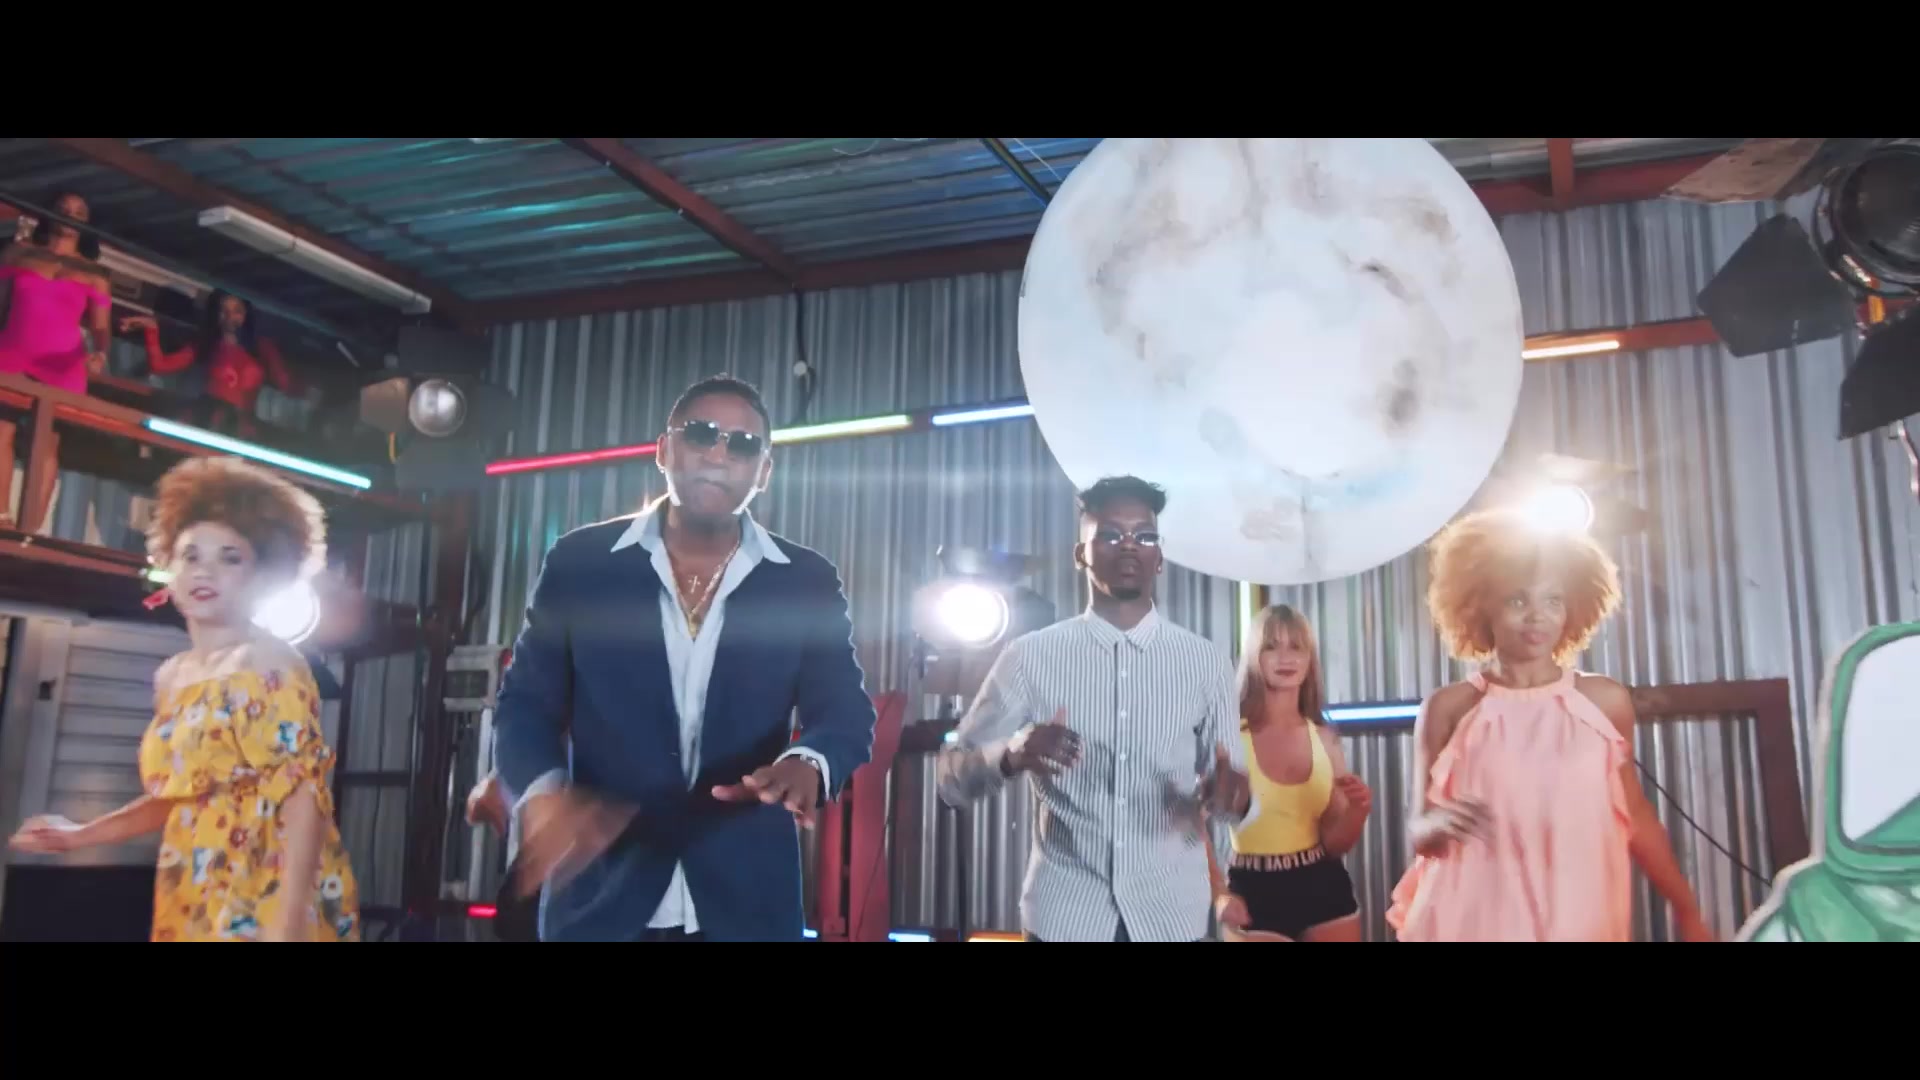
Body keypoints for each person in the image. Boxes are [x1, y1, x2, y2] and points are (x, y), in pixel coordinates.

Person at [491, 373, 877, 942]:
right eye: (700, 434)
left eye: (742, 445)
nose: (718, 455)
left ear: (763, 472)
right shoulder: (581, 563)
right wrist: (543, 795)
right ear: (663, 450)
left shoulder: (805, 580)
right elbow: (526, 704)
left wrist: (808, 763)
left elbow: (844, 710)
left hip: (746, 908)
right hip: (600, 899)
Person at [7, 455, 360, 941]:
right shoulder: (173, 677)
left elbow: (304, 796)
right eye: (191, 556)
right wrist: (79, 835)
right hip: (193, 883)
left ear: (261, 576)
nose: (205, 571)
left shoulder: (271, 662)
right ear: (169, 572)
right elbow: (176, 797)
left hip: (267, 886)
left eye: (230, 558)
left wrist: (287, 923)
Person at [937, 475, 1254, 942]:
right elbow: (950, 779)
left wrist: (1236, 798)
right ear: (1080, 553)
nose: (1129, 546)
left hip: (1172, 921)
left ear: (1160, 557)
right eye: (1109, 534)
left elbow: (1236, 796)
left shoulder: (1205, 662)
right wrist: (1010, 754)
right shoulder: (1029, 657)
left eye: (1144, 536)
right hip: (1065, 920)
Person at [1386, 508, 1712, 942]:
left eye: (1553, 600)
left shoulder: (1603, 702)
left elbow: (1634, 815)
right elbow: (1418, 830)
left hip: (1579, 918)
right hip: (1473, 921)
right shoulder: (1450, 707)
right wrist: (1438, 825)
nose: (1537, 616)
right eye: (1518, 600)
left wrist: (1687, 910)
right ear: (1481, 605)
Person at [1206, 603, 1372, 942]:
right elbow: (1188, 827)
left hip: (1325, 885)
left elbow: (1335, 844)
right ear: (1254, 657)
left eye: (1296, 647)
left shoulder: (1325, 739)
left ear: (1310, 660)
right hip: (1252, 890)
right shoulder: (1228, 736)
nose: (1286, 657)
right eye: (1272, 646)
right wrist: (1219, 893)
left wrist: (1357, 811)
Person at [0, 192, 113, 531]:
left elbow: (101, 328)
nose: (69, 216)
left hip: (62, 363)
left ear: (86, 224)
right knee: (0, 430)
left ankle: (30, 531)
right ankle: (1, 519)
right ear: (48, 214)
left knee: (46, 444)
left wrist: (100, 353)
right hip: (13, 352)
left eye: (78, 212)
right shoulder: (19, 253)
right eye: (63, 209)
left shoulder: (94, 272)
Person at [121, 290, 298, 438]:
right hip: (206, 418)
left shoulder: (262, 348)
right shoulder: (207, 345)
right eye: (223, 311)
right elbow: (160, 366)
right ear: (215, 315)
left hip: (239, 428)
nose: (230, 317)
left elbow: (286, 384)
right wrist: (151, 329)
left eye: (237, 311)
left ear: (246, 315)